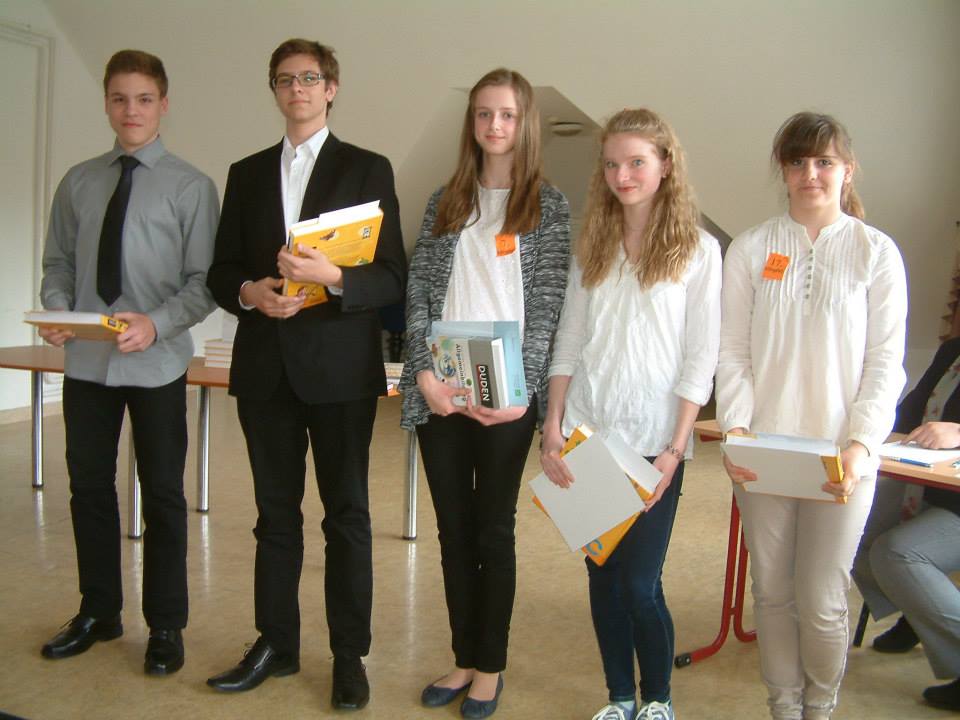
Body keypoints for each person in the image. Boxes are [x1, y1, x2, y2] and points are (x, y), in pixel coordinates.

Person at [204, 39, 405, 709]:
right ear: (275, 90)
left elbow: (392, 277)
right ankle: (276, 644)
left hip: (340, 373)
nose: (298, 88)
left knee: (346, 517)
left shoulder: (367, 168)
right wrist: (250, 293)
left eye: (310, 78)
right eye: (285, 79)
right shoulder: (246, 173)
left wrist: (335, 277)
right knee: (273, 517)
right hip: (266, 370)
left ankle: (349, 656)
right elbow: (221, 270)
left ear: (331, 88)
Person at [715, 112, 908, 720]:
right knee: (772, 593)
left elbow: (885, 362)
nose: (810, 174)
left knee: (822, 599)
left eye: (824, 161)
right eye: (797, 161)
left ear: (847, 169)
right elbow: (733, 352)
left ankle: (820, 707)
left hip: (841, 458)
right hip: (765, 452)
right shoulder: (751, 248)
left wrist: (860, 444)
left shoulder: (875, 252)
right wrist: (737, 432)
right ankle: (784, 706)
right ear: (783, 170)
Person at [37, 49, 219, 676]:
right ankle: (98, 612)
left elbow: (203, 283)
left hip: (157, 365)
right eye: (119, 98)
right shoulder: (78, 182)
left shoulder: (192, 186)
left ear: (163, 104)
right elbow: (58, 264)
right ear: (107, 104)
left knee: (163, 494)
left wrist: (157, 323)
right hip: (87, 364)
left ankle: (166, 625)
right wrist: (57, 308)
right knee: (88, 488)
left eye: (143, 99)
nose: (131, 110)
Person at [399, 68, 570, 719]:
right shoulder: (444, 200)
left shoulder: (548, 206)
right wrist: (423, 374)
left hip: (508, 391)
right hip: (442, 384)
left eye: (506, 115)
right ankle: (463, 657)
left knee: (493, 531)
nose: (494, 126)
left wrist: (522, 395)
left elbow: (548, 307)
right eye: (483, 114)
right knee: (452, 531)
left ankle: (490, 667)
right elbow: (419, 292)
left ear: (524, 124)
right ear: (471, 123)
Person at [540, 108, 721, 720]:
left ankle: (658, 699)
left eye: (637, 162)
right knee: (603, 577)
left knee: (641, 584)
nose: (623, 175)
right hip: (589, 433)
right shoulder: (592, 245)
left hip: (653, 443)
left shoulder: (699, 251)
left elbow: (700, 358)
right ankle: (620, 698)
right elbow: (569, 340)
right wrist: (552, 425)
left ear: (665, 165)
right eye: (612, 164)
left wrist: (675, 449)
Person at [851, 336, 960, 712]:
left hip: (951, 499)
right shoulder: (952, 351)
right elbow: (909, 412)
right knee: (849, 527)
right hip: (932, 487)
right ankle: (920, 612)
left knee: (897, 553)